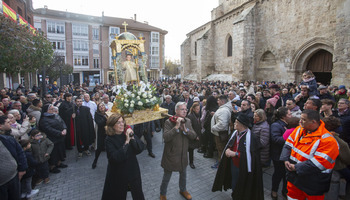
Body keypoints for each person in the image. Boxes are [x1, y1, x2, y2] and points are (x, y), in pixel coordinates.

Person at [280, 110, 339, 199]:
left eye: (303, 119)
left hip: (313, 182)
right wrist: (285, 160)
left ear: (313, 122)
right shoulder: (299, 129)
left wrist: (295, 167)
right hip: (295, 178)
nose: (300, 121)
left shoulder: (328, 141)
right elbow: (287, 145)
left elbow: (320, 163)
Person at [212, 113, 264, 200]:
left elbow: (252, 156)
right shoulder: (235, 133)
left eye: (236, 122)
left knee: (242, 185)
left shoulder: (252, 137)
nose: (234, 123)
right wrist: (228, 150)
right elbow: (231, 144)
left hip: (244, 167)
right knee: (234, 183)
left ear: (242, 125)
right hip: (234, 164)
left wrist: (235, 154)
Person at [101, 114, 145, 200]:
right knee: (119, 195)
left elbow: (140, 148)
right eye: (118, 123)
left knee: (138, 194)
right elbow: (115, 158)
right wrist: (127, 142)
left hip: (132, 170)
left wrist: (132, 138)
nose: (122, 124)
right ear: (112, 125)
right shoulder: (109, 139)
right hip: (118, 173)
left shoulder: (127, 133)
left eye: (122, 122)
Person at [160, 102, 196, 200]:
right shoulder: (169, 122)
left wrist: (185, 130)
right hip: (171, 155)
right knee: (166, 177)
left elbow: (193, 136)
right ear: (176, 110)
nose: (185, 111)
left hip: (183, 155)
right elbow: (166, 138)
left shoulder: (187, 121)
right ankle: (163, 194)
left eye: (186, 109)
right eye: (182, 109)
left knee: (183, 175)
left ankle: (183, 189)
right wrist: (176, 127)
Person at [0, 115, 28, 200]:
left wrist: (22, 169)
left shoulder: (7, 139)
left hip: (13, 177)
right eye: (8, 122)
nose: (11, 123)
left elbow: (19, 152)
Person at [39, 104, 68, 173]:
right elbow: (48, 129)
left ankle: (59, 162)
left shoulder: (56, 115)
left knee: (60, 151)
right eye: (51, 109)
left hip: (60, 137)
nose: (53, 110)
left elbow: (62, 122)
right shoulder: (44, 120)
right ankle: (52, 166)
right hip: (52, 138)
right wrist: (59, 132)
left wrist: (64, 129)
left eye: (53, 109)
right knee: (53, 153)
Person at [270, 107, 292, 199]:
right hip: (278, 155)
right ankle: (274, 190)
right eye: (289, 114)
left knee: (286, 175)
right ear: (283, 116)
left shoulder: (289, 124)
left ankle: (285, 191)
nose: (291, 116)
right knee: (278, 174)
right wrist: (288, 137)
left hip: (287, 155)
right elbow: (276, 139)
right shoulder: (276, 125)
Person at [211, 95, 233, 169]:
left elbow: (222, 125)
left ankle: (221, 165)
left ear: (222, 101)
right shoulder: (223, 109)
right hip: (220, 134)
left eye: (218, 100)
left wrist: (213, 127)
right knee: (221, 149)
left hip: (220, 134)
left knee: (221, 149)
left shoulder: (223, 110)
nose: (217, 102)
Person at [91, 102, 108, 169]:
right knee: (99, 148)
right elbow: (100, 123)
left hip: (108, 132)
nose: (101, 107)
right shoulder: (97, 114)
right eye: (100, 106)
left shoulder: (108, 112)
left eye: (102, 105)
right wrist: (105, 118)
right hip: (101, 133)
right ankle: (95, 160)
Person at [187, 102, 201, 169]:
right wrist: (195, 136)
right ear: (193, 109)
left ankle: (191, 161)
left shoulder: (197, 114)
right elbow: (190, 127)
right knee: (191, 149)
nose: (198, 110)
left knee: (191, 149)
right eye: (197, 109)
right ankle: (191, 162)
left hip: (196, 133)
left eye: (199, 109)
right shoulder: (190, 115)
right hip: (192, 135)